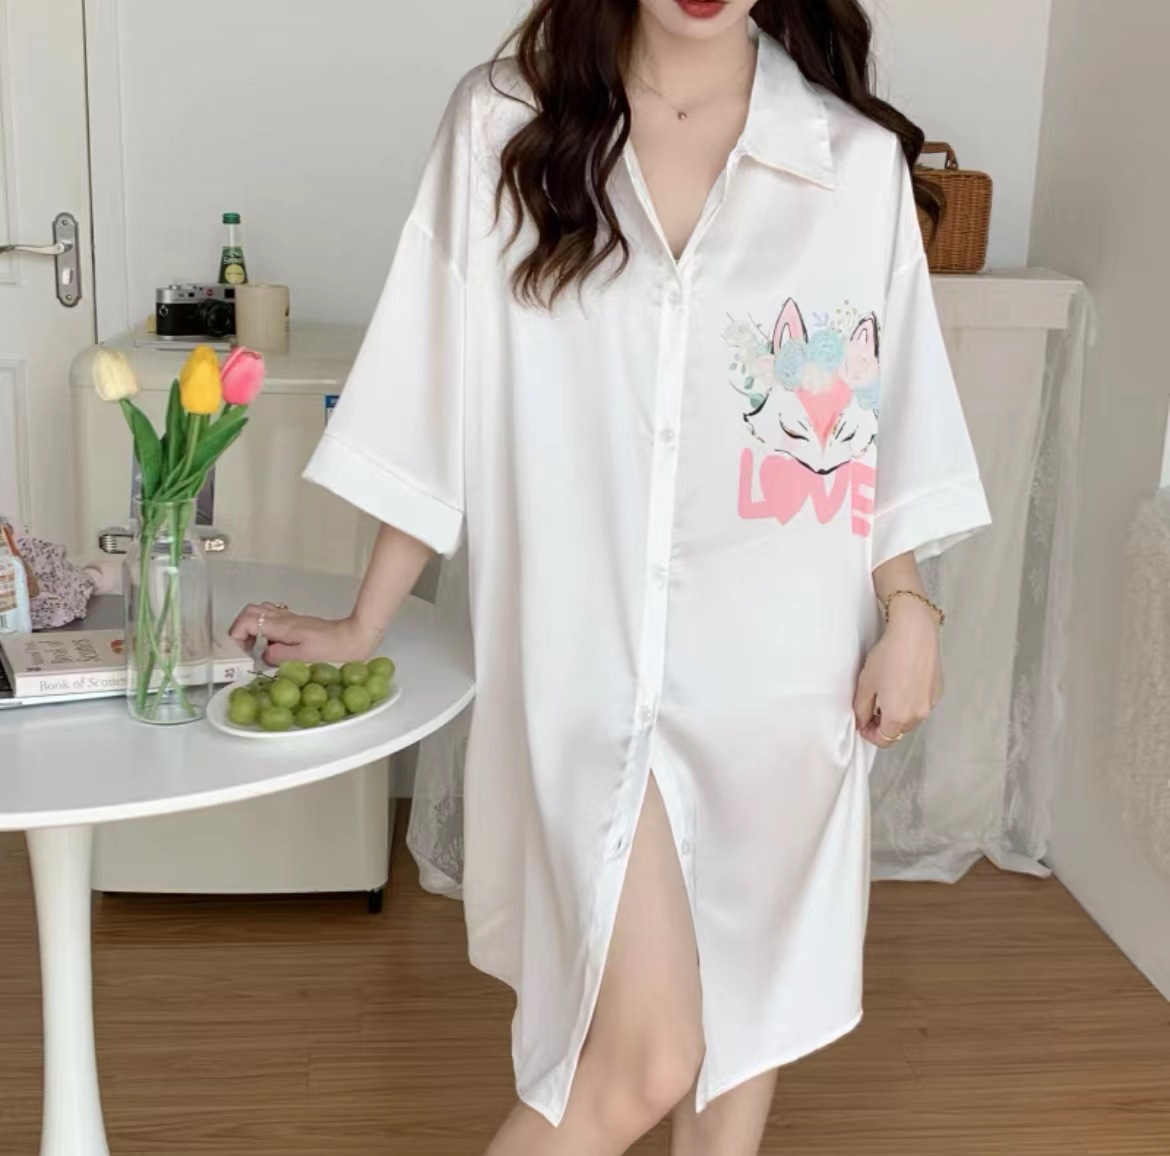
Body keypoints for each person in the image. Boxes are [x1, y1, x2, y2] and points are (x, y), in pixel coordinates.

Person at [230, 0, 991, 1151]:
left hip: (784, 683)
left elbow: (866, 424)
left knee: (740, 1042)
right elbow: (434, 388)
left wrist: (910, 608)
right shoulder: (506, 125)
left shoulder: (850, 165)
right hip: (582, 668)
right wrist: (361, 621)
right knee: (648, 1054)